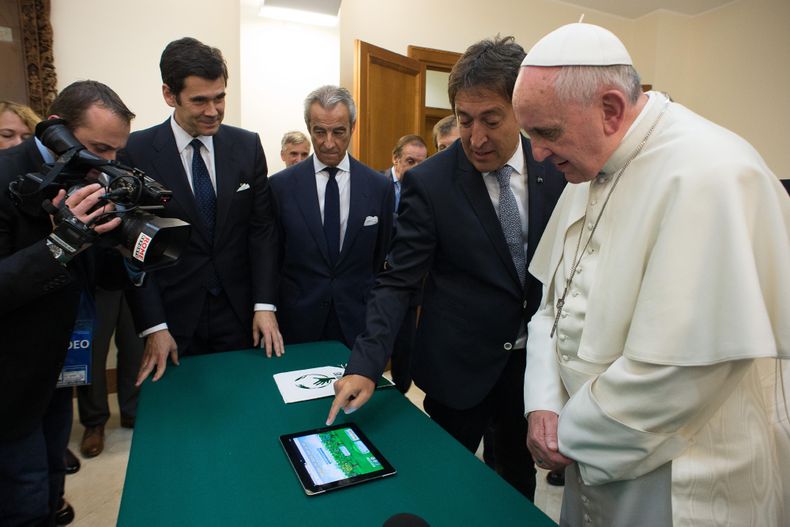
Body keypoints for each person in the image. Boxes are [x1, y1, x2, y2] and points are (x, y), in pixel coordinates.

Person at [513, 22, 789, 525]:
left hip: (677, 474)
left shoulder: (713, 174)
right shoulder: (588, 160)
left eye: (546, 132)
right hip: (582, 445)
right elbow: (553, 301)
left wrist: (569, 433)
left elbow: (684, 373)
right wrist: (544, 403)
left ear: (611, 110)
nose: (537, 154)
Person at [328, 36, 566, 500]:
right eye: (464, 120)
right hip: (457, 372)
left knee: (515, 484)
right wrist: (366, 364)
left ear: (520, 109)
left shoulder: (555, 167)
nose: (475, 138)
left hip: (531, 371)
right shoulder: (430, 183)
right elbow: (396, 281)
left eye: (491, 120)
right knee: (440, 488)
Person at [0, 80, 135, 526]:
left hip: (60, 365)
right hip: (11, 376)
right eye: (100, 147)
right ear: (55, 130)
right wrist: (64, 240)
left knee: (53, 474)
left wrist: (127, 250)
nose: (109, 163)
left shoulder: (90, 176)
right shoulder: (4, 176)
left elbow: (99, 276)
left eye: (117, 152)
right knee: (24, 487)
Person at [125, 37, 283, 385]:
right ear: (170, 95)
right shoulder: (136, 152)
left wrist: (264, 305)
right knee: (183, 414)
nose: (213, 111)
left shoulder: (247, 146)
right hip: (174, 317)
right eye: (199, 100)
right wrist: (154, 324)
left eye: (220, 97)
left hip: (239, 312)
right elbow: (134, 251)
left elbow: (262, 231)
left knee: (242, 401)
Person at [268, 85, 394, 349]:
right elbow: (272, 258)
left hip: (356, 323)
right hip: (296, 323)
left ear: (353, 127)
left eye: (338, 132)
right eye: (319, 132)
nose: (328, 143)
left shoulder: (378, 187)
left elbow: (378, 258)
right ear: (308, 127)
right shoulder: (280, 187)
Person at [383, 134, 428, 393]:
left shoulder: (428, 191)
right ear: (395, 159)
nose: (415, 169)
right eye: (410, 161)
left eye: (421, 163)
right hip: (375, 282)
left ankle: (400, 392)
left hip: (411, 285)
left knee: (405, 346)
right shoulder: (376, 184)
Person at [76, 286, 143, 458]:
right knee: (93, 353)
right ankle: (94, 423)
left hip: (136, 275)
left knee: (135, 348)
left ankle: (133, 412)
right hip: (96, 281)